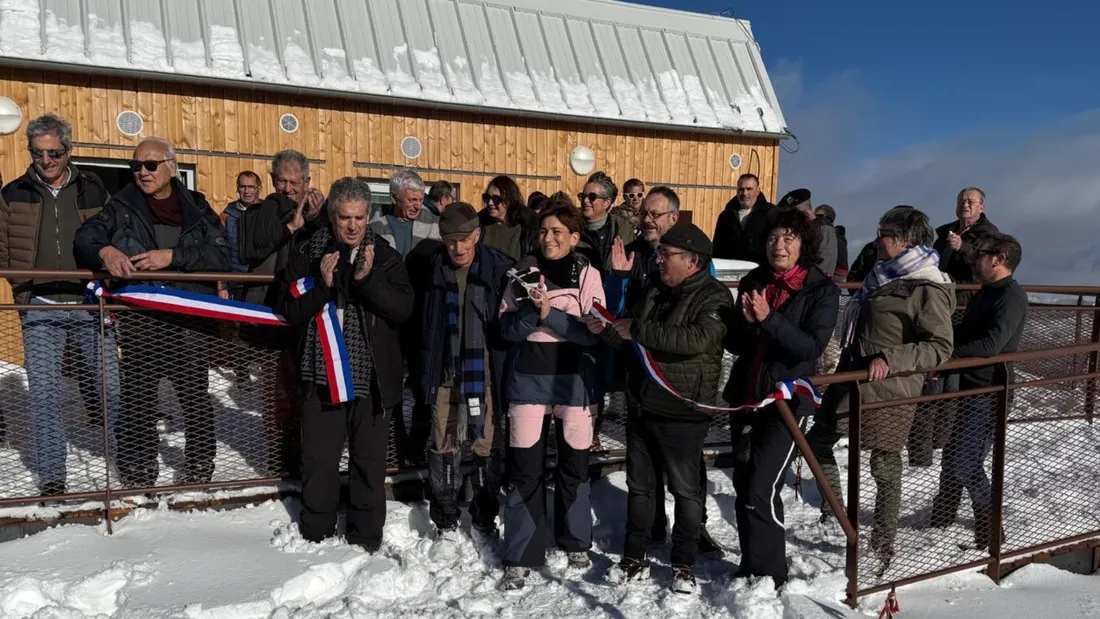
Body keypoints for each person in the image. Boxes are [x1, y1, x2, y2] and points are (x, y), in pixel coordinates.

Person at [74, 137, 229, 487]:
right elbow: (85, 237)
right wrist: (106, 251)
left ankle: (200, 464)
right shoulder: (122, 206)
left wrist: (172, 257)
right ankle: (140, 468)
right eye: (135, 165)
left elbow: (220, 255)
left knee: (194, 396)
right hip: (143, 320)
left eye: (150, 165)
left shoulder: (197, 206)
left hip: (188, 319)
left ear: (171, 167)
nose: (141, 172)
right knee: (139, 397)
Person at [805, 206, 954, 570]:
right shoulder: (881, 275)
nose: (877, 239)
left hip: (892, 387)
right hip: (852, 376)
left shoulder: (927, 286)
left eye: (885, 233)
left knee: (884, 464)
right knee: (816, 442)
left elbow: (940, 346)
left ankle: (882, 541)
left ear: (905, 241)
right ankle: (840, 515)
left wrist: (891, 359)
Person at [589, 223, 731, 593]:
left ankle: (683, 564)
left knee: (685, 492)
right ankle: (633, 555)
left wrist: (635, 328)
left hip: (683, 411)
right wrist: (602, 328)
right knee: (640, 488)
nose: (659, 260)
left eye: (665, 255)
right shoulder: (653, 289)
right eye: (659, 254)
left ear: (692, 260)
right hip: (642, 404)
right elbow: (628, 338)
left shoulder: (716, 297)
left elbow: (696, 339)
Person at [278, 177, 413, 551]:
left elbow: (403, 308)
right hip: (320, 375)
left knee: (368, 464)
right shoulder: (307, 252)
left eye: (358, 217)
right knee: (319, 461)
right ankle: (315, 535)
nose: (351, 225)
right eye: (343, 218)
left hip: (371, 378)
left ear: (368, 216)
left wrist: (368, 281)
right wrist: (320, 285)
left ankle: (365, 538)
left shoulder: (384, 256)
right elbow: (287, 309)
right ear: (331, 216)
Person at [0, 113, 117, 496]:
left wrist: (108, 286)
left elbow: (113, 236)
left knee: (110, 389)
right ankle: (53, 475)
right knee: (45, 395)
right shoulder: (13, 192)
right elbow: (4, 249)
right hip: (41, 306)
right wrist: (22, 292)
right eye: (38, 153)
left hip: (89, 303)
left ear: (68, 151)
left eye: (54, 153)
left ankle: (127, 459)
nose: (46, 161)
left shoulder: (93, 189)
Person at [722, 207, 840, 588]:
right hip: (746, 395)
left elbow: (809, 347)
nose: (780, 245)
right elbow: (738, 344)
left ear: (803, 243)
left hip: (786, 402)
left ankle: (771, 572)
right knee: (744, 485)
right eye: (773, 237)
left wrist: (769, 318)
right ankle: (749, 564)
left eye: (789, 237)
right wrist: (739, 323)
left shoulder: (821, 290)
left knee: (763, 485)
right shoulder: (754, 280)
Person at [604, 186, 723, 555]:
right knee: (643, 476)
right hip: (644, 383)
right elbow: (624, 313)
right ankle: (648, 533)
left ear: (674, 219)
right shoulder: (638, 256)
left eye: (656, 214)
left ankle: (692, 535)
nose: (647, 220)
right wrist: (619, 284)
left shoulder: (700, 264)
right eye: (645, 214)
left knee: (685, 480)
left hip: (683, 395)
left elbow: (700, 329)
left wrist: (637, 329)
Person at [498, 198, 603, 590]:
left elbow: (591, 332)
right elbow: (505, 330)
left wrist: (548, 315)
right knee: (526, 468)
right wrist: (530, 311)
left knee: (574, 466)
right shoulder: (522, 273)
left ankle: (575, 540)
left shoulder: (588, 273)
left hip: (574, 383)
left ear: (575, 237)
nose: (549, 238)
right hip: (528, 382)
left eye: (558, 231)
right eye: (544, 231)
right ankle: (521, 552)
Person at [415, 202, 514, 538]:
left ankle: (485, 518)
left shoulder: (498, 270)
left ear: (477, 234)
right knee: (443, 440)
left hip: (482, 371)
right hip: (445, 369)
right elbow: (423, 326)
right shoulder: (432, 269)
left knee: (484, 443)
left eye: (463, 239)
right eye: (449, 239)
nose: (457, 247)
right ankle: (445, 519)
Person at [930, 233, 1027, 551]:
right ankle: (942, 519)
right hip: (969, 385)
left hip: (990, 391)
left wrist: (946, 355)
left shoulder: (1010, 297)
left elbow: (991, 345)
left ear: (998, 259)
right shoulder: (988, 292)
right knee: (952, 456)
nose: (974, 258)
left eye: (981, 253)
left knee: (965, 462)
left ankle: (990, 526)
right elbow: (968, 332)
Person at [236, 149, 326, 476]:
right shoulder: (258, 212)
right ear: (272, 181)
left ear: (307, 183)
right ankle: (280, 458)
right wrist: (289, 227)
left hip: (307, 316)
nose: (288, 188)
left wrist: (318, 217)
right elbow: (250, 249)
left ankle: (305, 453)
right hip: (269, 315)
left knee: (307, 389)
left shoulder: (318, 213)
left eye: (294, 182)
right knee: (277, 392)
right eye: (282, 181)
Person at [933, 187, 999, 307]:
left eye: (970, 202)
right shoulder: (946, 231)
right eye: (961, 202)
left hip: (968, 299)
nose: (965, 205)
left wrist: (962, 247)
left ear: (981, 207)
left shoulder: (988, 233)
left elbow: (988, 263)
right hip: (941, 294)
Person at [369, 168, 441, 258]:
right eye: (412, 200)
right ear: (394, 198)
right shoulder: (375, 227)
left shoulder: (434, 224)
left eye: (421, 199)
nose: (418, 206)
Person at [218, 171, 264, 301]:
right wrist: (221, 287)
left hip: (261, 283)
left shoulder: (268, 214)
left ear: (259, 189)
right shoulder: (226, 216)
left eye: (251, 187)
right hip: (234, 284)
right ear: (237, 188)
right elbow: (219, 253)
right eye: (243, 187)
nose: (246, 191)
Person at [578, 171, 633, 271]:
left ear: (607, 203)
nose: (585, 201)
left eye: (592, 197)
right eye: (583, 196)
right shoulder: (573, 227)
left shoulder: (622, 228)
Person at [712, 173, 772, 264]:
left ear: (758, 191)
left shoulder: (770, 214)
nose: (744, 193)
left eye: (749, 189)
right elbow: (717, 248)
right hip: (730, 272)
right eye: (741, 189)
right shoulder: (726, 216)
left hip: (759, 271)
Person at [777, 188, 837, 278]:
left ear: (804, 212)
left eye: (793, 214)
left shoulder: (824, 230)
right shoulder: (801, 230)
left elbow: (825, 267)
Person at [479, 175, 538, 261]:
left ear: (509, 200)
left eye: (496, 198)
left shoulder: (527, 227)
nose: (490, 203)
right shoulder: (480, 225)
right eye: (487, 198)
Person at [815, 205, 847, 282]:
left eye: (817, 216)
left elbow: (827, 254)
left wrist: (820, 277)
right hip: (835, 271)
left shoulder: (826, 229)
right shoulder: (834, 233)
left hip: (827, 274)